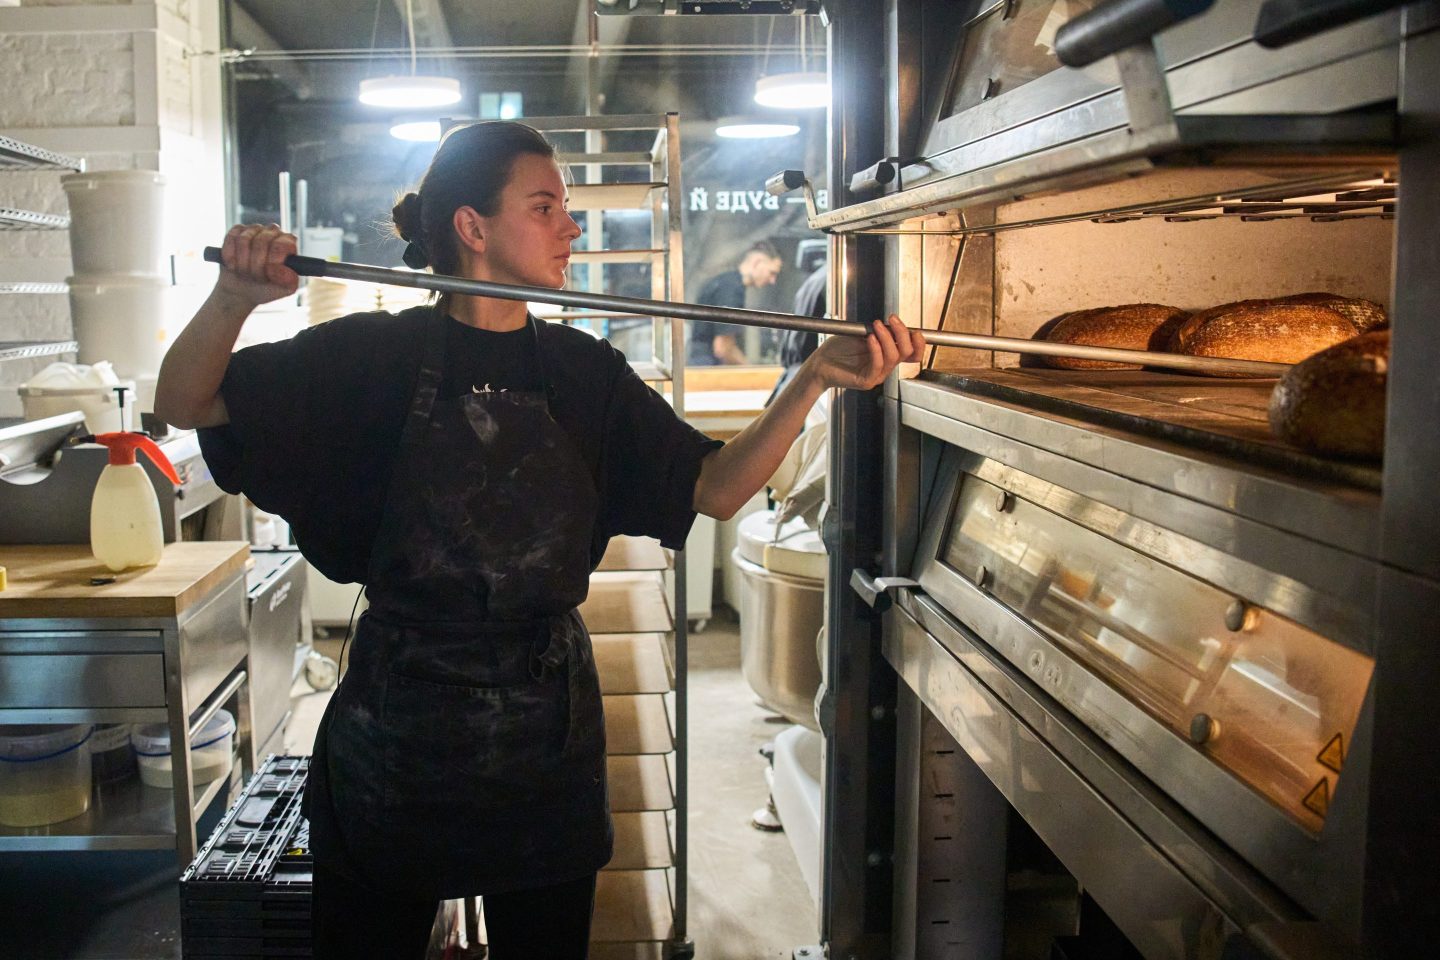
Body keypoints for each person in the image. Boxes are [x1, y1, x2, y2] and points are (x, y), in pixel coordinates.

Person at [153, 120, 924, 960]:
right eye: (546, 205)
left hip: (543, 739)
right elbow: (186, 403)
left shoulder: (582, 372)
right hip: (398, 741)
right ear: (472, 228)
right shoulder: (368, 359)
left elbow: (719, 485)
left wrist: (812, 376)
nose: (572, 226)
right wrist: (233, 298)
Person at [689, 239, 784, 366]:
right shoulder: (731, 289)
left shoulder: (726, 282)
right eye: (771, 273)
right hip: (708, 367)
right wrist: (753, 372)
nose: (773, 281)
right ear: (757, 262)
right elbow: (723, 347)